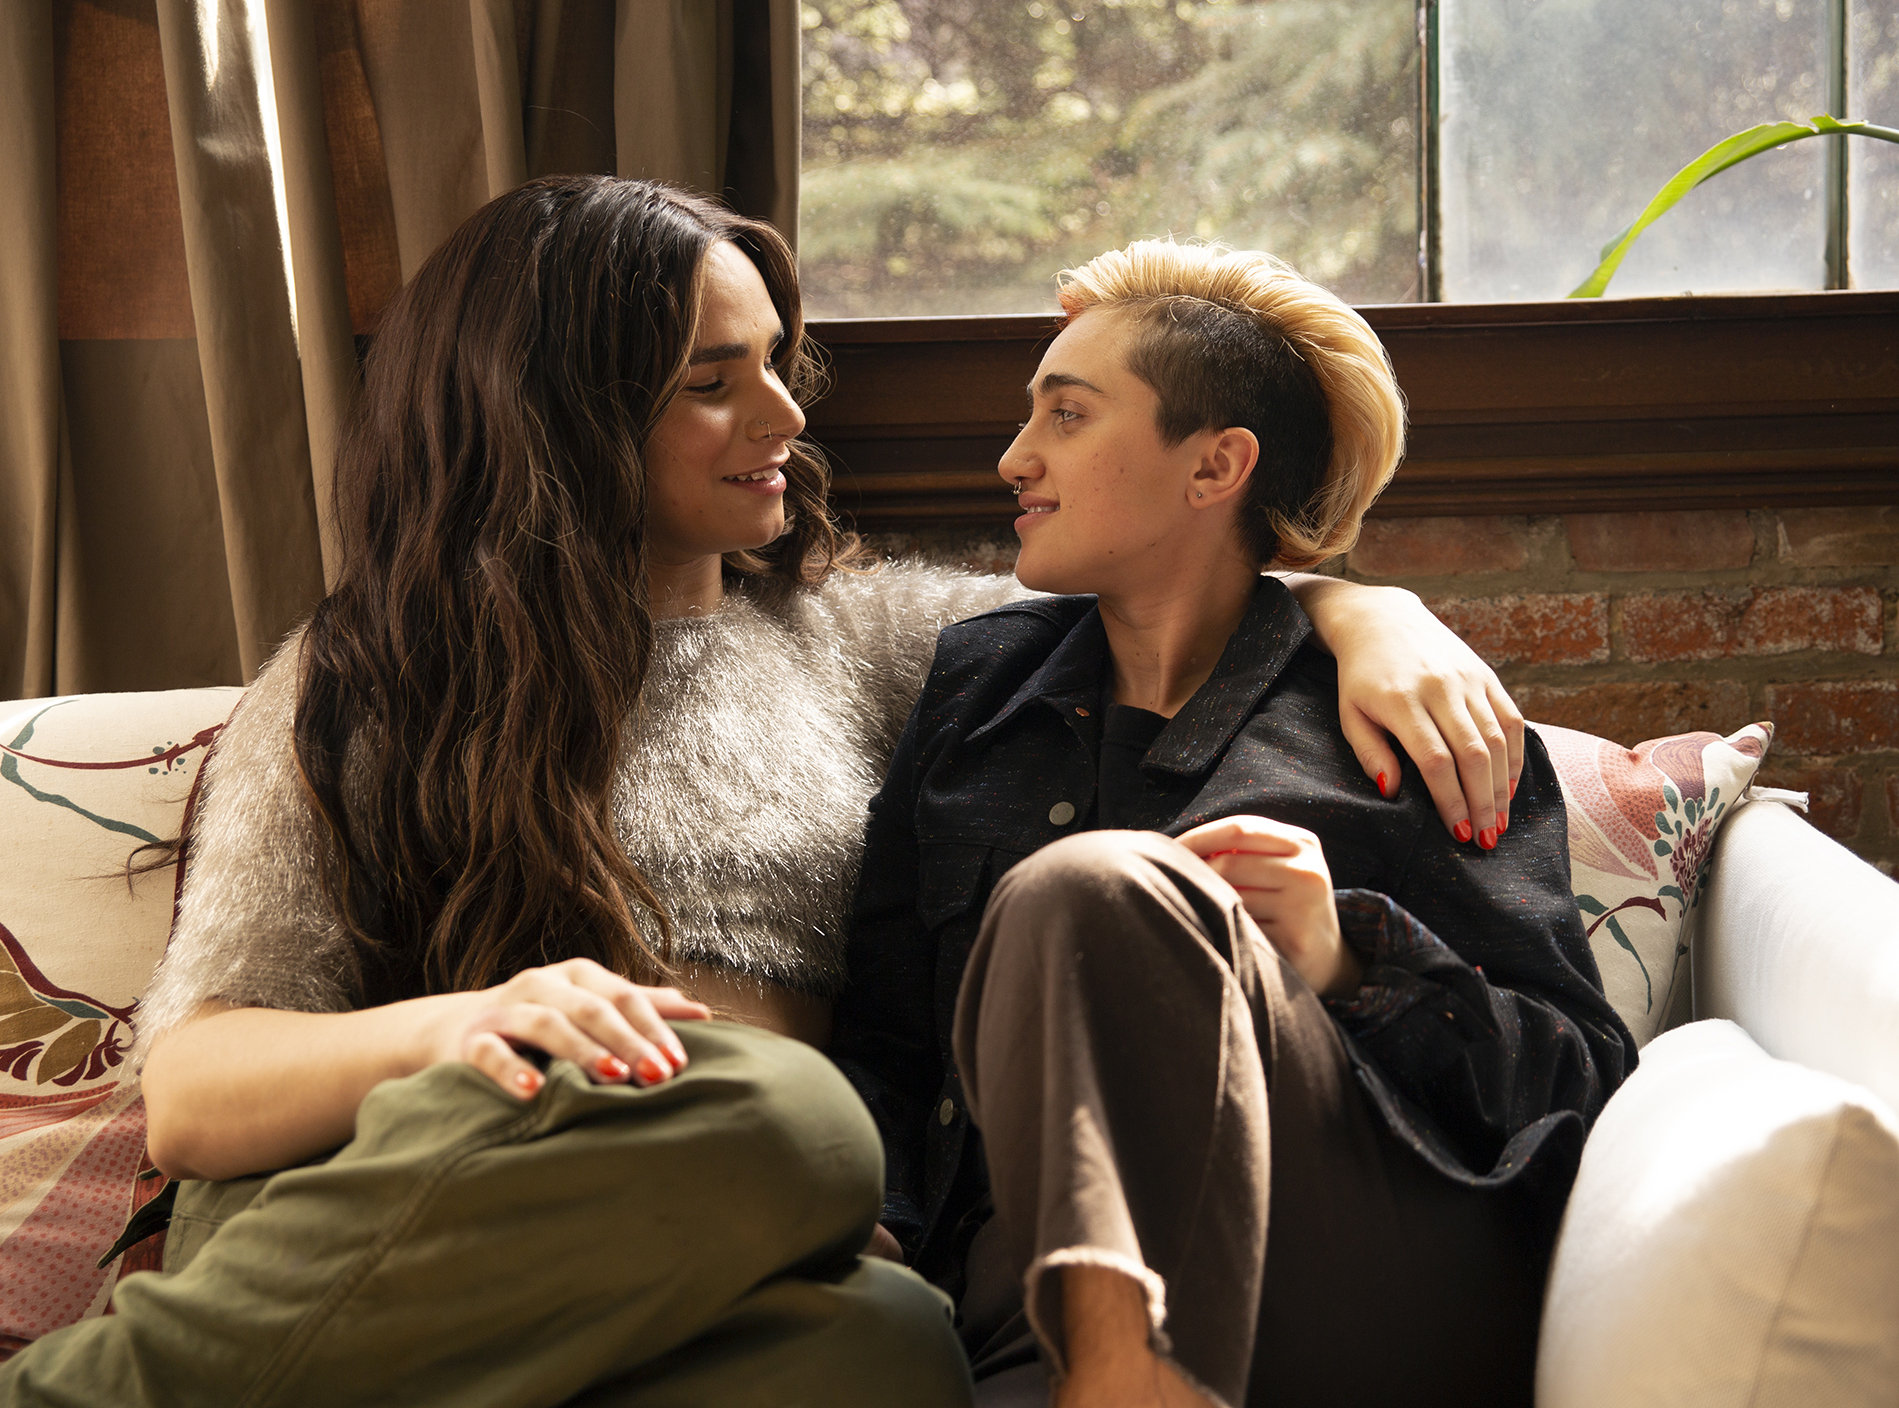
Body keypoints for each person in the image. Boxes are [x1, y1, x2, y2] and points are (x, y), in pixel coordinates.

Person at [1, 178, 1523, 1407]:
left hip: (752, 1253)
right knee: (789, 1115)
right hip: (432, 1192)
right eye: (711, 386)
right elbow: (193, 1099)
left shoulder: (864, 642)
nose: (786, 420)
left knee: (889, 1353)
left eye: (778, 368)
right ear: (564, 420)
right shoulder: (362, 681)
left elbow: (1159, 593)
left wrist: (1365, 610)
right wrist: (467, 1022)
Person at [830, 240, 1637, 1408]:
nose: (1013, 458)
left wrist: (1348, 957)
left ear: (1215, 465)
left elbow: (1577, 1081)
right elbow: (890, 1039)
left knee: (1092, 886)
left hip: (1352, 1270)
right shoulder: (971, 693)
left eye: (1064, 416)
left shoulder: (1406, 716)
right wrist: (883, 1229)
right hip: (1019, 1288)